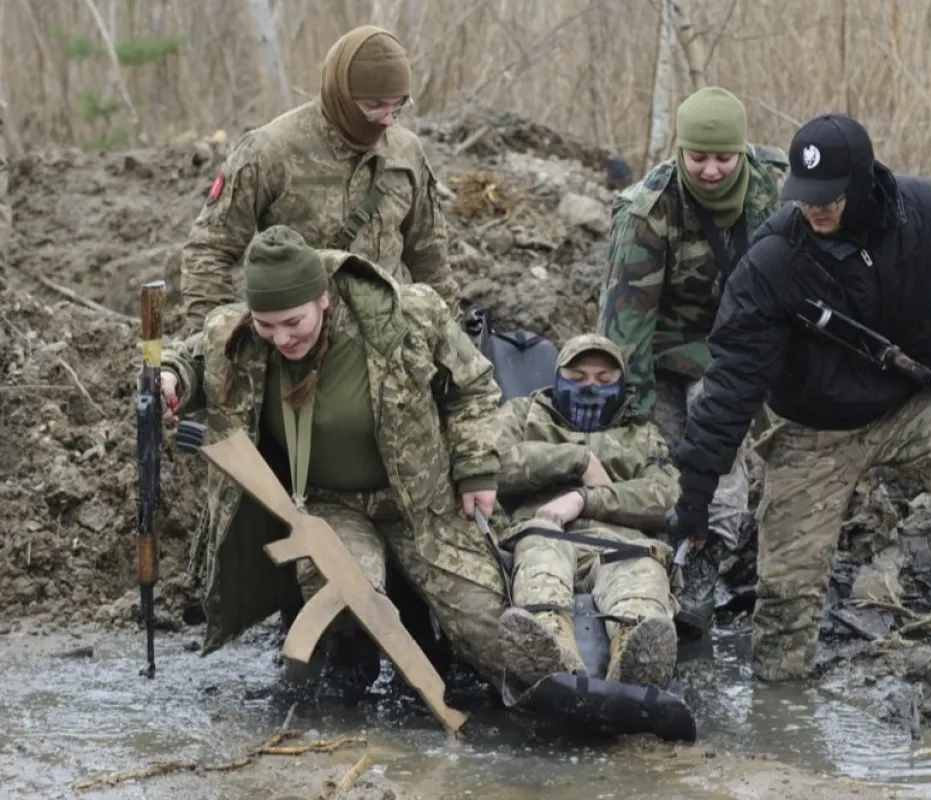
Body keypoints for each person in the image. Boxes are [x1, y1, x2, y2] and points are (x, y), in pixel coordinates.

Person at [667, 113, 931, 682]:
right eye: (803, 196)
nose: (814, 210)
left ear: (862, 184)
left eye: (829, 198)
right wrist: (695, 493)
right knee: (785, 604)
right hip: (813, 429)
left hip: (908, 405)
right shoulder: (772, 262)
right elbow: (732, 384)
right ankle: (782, 716)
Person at [159, 224, 506, 693]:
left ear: (323, 298)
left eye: (293, 322)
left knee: (489, 632)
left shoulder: (408, 317)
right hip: (328, 505)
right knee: (342, 595)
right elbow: (194, 359)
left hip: (423, 504)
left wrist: (477, 469)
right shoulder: (240, 335)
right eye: (267, 324)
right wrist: (171, 378)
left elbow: (471, 390)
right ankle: (345, 673)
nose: (281, 338)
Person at [595, 86, 788, 637]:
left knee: (717, 442)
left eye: (722, 158)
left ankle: (705, 566)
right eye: (696, 157)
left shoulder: (775, 188)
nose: (709, 170)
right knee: (658, 452)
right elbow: (624, 327)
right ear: (678, 152)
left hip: (737, 346)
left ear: (742, 151)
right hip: (659, 342)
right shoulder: (648, 212)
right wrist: (626, 413)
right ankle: (651, 562)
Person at [179, 24, 457, 334]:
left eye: (398, 106)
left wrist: (450, 342)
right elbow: (209, 251)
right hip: (300, 347)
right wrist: (217, 346)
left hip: (391, 348)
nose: (387, 120)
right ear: (342, 94)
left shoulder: (406, 151)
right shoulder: (270, 151)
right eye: (373, 107)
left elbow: (430, 257)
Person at [492, 334, 680, 689]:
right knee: (541, 566)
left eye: (604, 380)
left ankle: (637, 663)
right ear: (557, 377)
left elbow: (666, 494)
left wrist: (585, 498)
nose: (591, 387)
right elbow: (488, 464)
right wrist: (575, 459)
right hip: (543, 534)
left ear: (621, 385)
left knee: (641, 576)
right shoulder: (523, 414)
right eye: (578, 378)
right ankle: (551, 658)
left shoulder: (642, 434)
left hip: (621, 542)